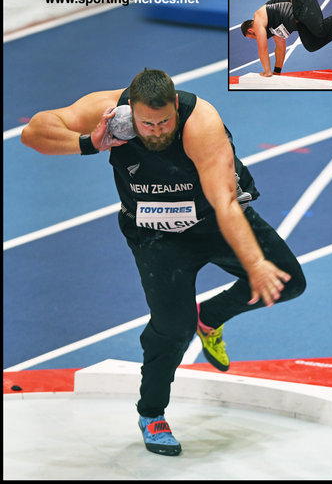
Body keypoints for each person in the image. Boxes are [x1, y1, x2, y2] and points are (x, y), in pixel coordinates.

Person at [21, 68, 306, 456]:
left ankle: (212, 316)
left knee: (288, 281)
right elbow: (34, 131)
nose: (156, 130)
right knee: (173, 328)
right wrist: (90, 142)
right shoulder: (108, 111)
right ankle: (152, 413)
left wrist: (255, 263)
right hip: (156, 234)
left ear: (175, 105)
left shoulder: (201, 122)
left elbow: (224, 203)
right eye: (146, 123)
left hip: (215, 220)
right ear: (130, 114)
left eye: (164, 121)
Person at [240, 0, 332, 77]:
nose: (255, 39)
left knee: (320, 30)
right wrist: (277, 72)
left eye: (252, 37)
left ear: (250, 30)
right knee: (311, 45)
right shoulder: (271, 28)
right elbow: (280, 48)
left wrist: (267, 72)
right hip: (299, 19)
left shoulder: (258, 19)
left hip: (300, 0)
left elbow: (263, 49)